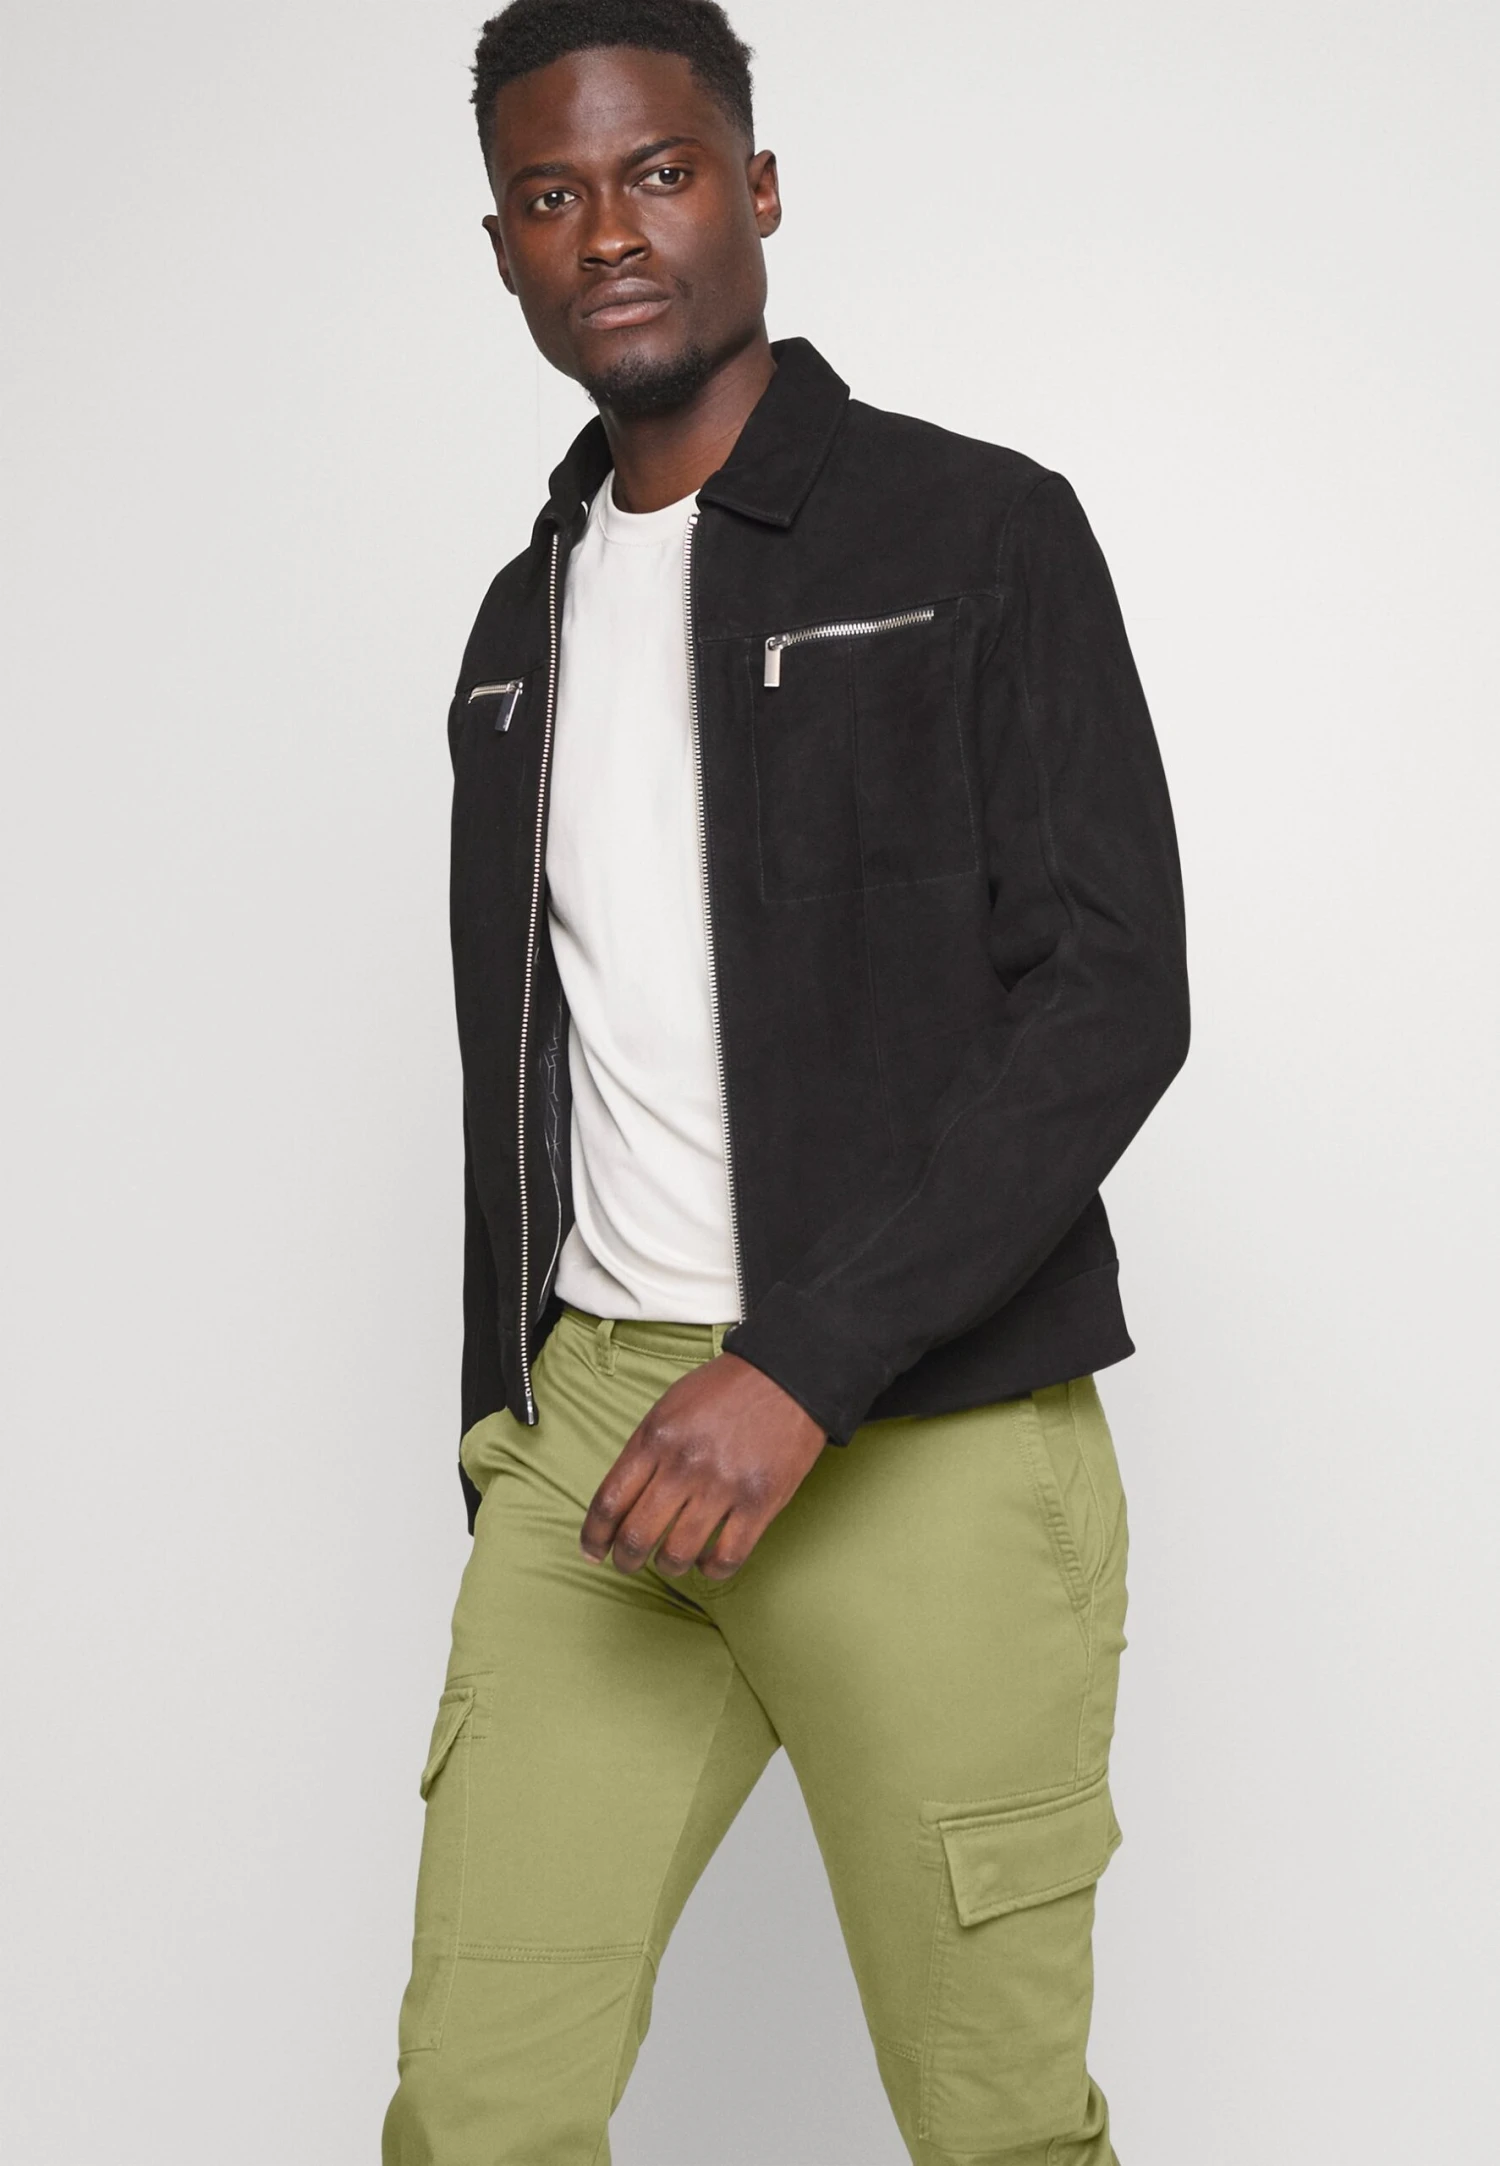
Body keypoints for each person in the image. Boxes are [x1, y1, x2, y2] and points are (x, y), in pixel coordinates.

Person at [381, 2, 1189, 2159]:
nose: (608, 232)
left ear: (754, 188)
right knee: (474, 2109)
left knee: (997, 2126)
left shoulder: (978, 532)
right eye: (551, 195)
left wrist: (801, 1367)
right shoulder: (516, 630)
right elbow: (527, 1056)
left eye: (657, 173)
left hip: (918, 1428)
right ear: (502, 247)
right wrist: (507, 1419)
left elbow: (1112, 996)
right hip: (597, 1442)